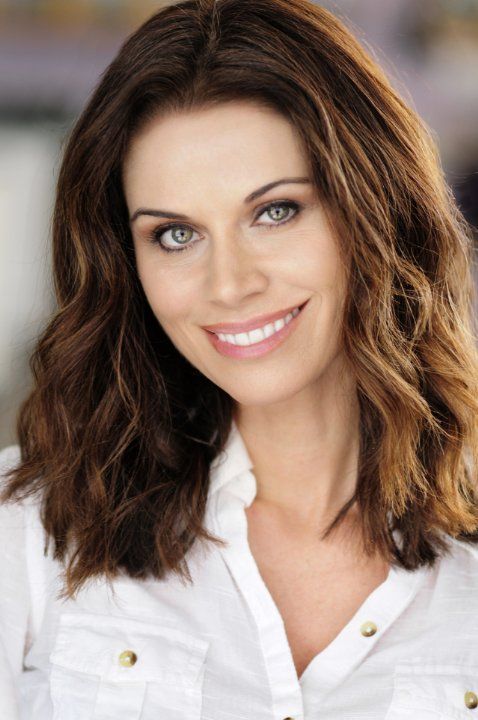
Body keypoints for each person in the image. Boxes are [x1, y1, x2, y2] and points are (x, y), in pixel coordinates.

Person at [1, 0, 478, 718]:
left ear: (374, 210)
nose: (229, 284)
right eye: (174, 235)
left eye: (276, 211)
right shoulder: (32, 531)